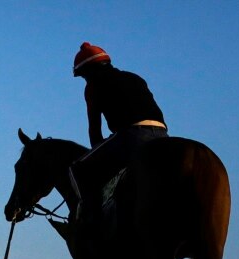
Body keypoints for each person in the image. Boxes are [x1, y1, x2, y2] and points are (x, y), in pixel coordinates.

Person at [69, 42, 169, 223]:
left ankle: (91, 221)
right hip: (162, 135)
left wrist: (98, 152)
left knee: (79, 168)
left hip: (132, 135)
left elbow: (95, 130)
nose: (85, 80)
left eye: (83, 76)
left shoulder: (93, 86)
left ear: (88, 71)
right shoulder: (135, 77)